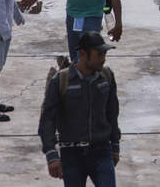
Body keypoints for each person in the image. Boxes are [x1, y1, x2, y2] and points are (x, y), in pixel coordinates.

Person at [38, 30, 121, 187]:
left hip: (102, 151)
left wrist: (115, 147)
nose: (103, 59)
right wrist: (52, 155)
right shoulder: (61, 81)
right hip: (72, 156)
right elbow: (47, 120)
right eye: (99, 55)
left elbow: (112, 114)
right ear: (83, 54)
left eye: (104, 55)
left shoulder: (107, 77)